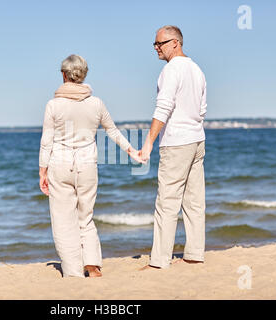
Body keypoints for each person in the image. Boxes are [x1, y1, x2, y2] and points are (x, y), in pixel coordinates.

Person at [39, 54, 144, 278]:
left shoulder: (53, 105)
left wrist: (42, 171)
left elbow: (46, 141)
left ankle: (73, 271)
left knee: (63, 221)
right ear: (84, 74)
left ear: (63, 75)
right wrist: (132, 151)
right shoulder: (96, 103)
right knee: (85, 217)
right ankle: (93, 266)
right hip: (87, 166)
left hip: (60, 164)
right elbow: (113, 131)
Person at [140, 25, 207, 269]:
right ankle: (195, 254)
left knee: (167, 203)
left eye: (160, 43)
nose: (156, 48)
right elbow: (201, 110)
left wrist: (148, 143)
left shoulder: (171, 70)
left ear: (175, 43)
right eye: (154, 44)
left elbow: (163, 108)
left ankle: (159, 261)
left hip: (177, 142)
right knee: (194, 202)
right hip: (197, 139)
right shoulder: (197, 69)